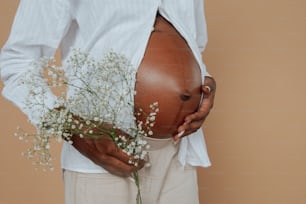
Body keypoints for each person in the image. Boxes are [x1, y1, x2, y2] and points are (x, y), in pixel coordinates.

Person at [0, 1, 216, 204]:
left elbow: (194, 44)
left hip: (178, 153)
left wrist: (202, 87)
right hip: (104, 157)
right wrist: (75, 130)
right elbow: (17, 64)